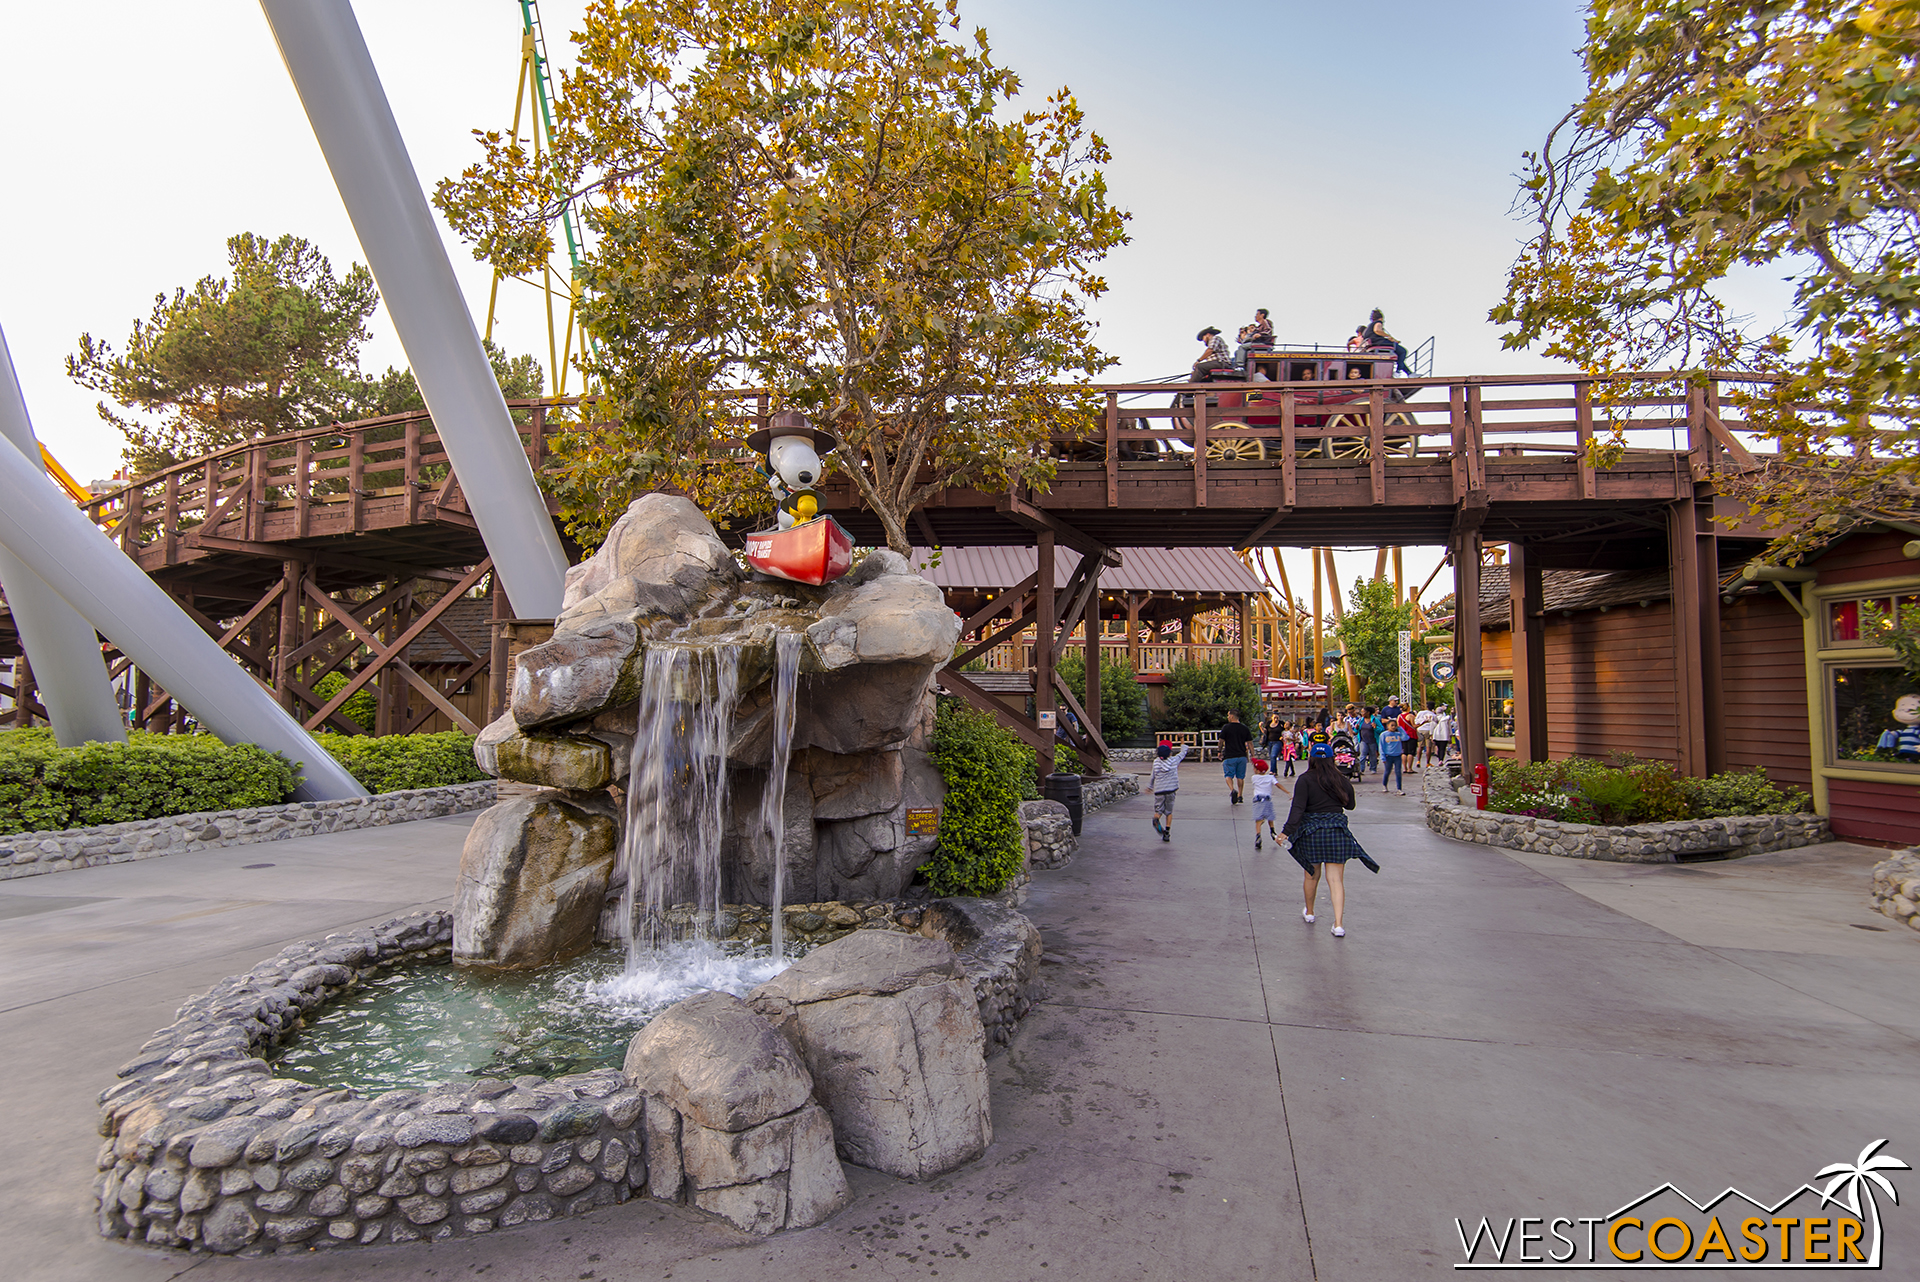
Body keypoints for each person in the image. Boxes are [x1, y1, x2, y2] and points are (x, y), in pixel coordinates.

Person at [1283, 742, 1380, 937]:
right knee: (1335, 880)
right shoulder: (1341, 779)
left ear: (1311, 758)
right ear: (1331, 759)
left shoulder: (1304, 780)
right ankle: (1338, 924)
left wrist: (1285, 832)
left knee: (1311, 874)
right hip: (1336, 832)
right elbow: (1350, 805)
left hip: (1312, 833)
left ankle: (1310, 913)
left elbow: (1298, 809)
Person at [1151, 740, 1190, 843]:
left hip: (1159, 790)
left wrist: (1150, 786)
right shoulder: (1174, 760)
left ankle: (1156, 819)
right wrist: (1182, 740)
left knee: (1158, 810)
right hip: (1171, 790)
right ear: (1169, 753)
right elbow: (1184, 751)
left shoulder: (1156, 762)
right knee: (1169, 812)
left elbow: (1153, 776)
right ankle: (1167, 832)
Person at [1248, 756, 1285, 850]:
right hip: (1267, 799)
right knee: (1270, 817)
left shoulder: (1254, 778)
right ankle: (1272, 831)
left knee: (1259, 820)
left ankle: (1258, 835)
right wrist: (1287, 792)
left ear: (1257, 770)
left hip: (1258, 800)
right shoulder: (1270, 777)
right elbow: (1278, 785)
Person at [1363, 308, 1412, 375]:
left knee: (1399, 356)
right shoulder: (1378, 323)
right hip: (1379, 343)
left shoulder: (1368, 327)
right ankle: (1398, 371)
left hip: (1373, 343)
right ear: (1381, 318)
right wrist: (1388, 336)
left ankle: (1409, 373)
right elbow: (1377, 330)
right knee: (1403, 351)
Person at [1221, 708, 1254, 803]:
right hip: (1242, 756)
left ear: (1231, 716)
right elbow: (1250, 743)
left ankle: (1232, 790)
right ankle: (1240, 795)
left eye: (1228, 715)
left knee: (1228, 775)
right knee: (1240, 777)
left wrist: (1219, 751)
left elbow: (1221, 741)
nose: (1227, 717)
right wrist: (1252, 755)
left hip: (1229, 755)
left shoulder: (1226, 727)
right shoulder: (1244, 728)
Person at [1380, 713, 1408, 793]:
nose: (1393, 727)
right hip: (1388, 755)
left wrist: (1400, 729)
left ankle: (1399, 788)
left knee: (1398, 772)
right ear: (1388, 726)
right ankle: (1384, 785)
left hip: (1397, 756)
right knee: (1387, 771)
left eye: (1395, 725)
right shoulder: (1384, 735)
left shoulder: (1398, 734)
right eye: (1392, 725)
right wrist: (1383, 756)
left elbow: (1405, 738)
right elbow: (1381, 746)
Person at [1357, 706, 1379, 774]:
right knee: (1362, 754)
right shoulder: (1360, 720)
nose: (1362, 713)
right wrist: (1356, 728)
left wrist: (1375, 727)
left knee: (1373, 755)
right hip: (1363, 740)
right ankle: (1361, 769)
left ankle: (1373, 768)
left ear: (1368, 712)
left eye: (1363, 712)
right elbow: (1356, 730)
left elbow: (1381, 729)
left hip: (1372, 740)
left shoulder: (1375, 720)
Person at [1414, 703, 1437, 769]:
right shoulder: (1433, 715)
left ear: (1426, 707)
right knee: (1428, 747)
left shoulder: (1420, 713)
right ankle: (1428, 762)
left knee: (1420, 746)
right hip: (1429, 730)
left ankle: (1418, 761)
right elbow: (1435, 723)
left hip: (1420, 729)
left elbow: (1416, 721)